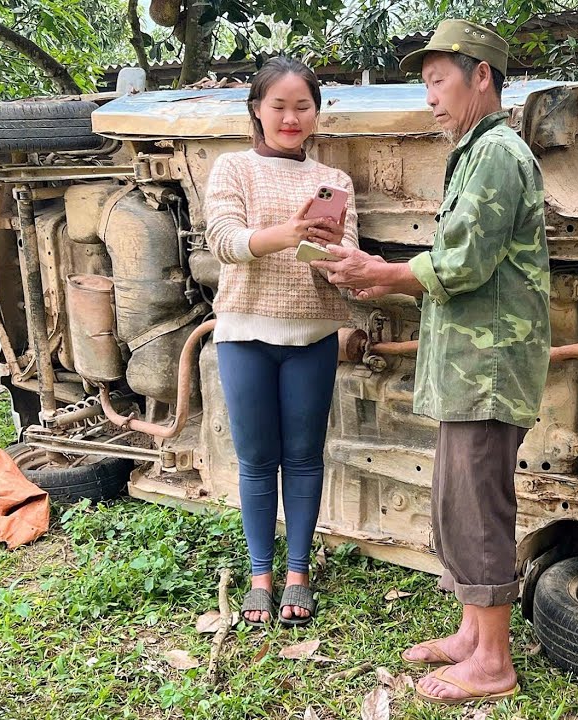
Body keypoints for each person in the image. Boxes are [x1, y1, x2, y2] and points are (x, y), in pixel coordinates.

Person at [313, 19, 550, 705]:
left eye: (439, 81)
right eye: (425, 85)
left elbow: (464, 263)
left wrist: (380, 273)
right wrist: (380, 276)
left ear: (482, 76)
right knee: (457, 500)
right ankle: (473, 637)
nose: (431, 97)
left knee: (478, 506)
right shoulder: (475, 152)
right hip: (469, 363)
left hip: (490, 366)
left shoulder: (498, 153)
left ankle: (494, 661)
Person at [204, 56, 357, 627]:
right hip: (244, 331)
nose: (291, 117)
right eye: (279, 106)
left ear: (316, 115)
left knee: (303, 458)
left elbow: (339, 267)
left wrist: (333, 251)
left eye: (303, 106)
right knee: (256, 461)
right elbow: (223, 241)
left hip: (313, 334)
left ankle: (298, 574)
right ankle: (259, 575)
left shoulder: (333, 181)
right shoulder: (232, 169)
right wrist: (287, 234)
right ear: (256, 111)